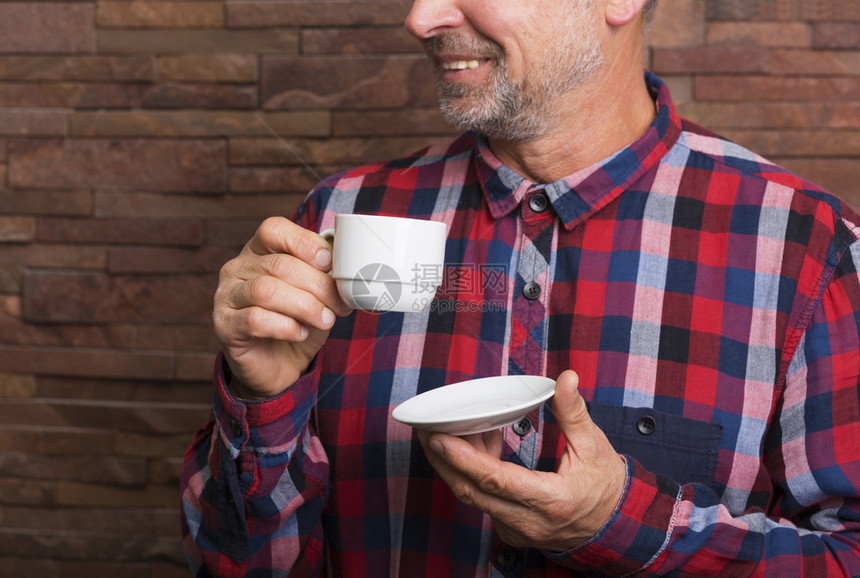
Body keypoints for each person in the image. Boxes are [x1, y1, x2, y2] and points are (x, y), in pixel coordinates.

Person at [180, 0, 860, 575]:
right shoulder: (335, 223)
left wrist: (626, 524)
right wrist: (262, 398)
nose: (420, 17)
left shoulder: (805, 247)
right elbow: (238, 561)